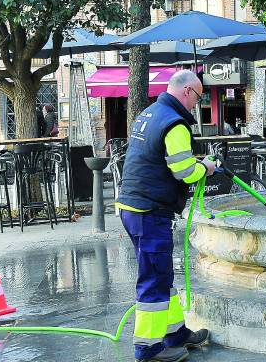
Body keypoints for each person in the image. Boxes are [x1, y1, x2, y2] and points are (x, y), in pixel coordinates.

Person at [116, 70, 220, 362]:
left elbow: (160, 158)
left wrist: (194, 162)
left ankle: (176, 333)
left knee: (162, 275)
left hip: (133, 206)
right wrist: (206, 168)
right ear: (187, 91)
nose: (196, 105)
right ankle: (147, 349)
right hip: (149, 211)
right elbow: (184, 172)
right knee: (152, 279)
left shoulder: (150, 113)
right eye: (198, 98)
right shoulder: (175, 124)